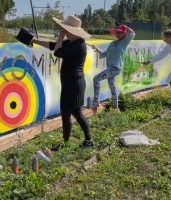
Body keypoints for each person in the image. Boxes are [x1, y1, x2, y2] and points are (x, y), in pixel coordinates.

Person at [31, 15, 94, 151]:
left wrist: (61, 36)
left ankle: (82, 141)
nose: (63, 31)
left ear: (71, 31)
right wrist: (33, 40)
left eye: (65, 29)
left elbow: (57, 52)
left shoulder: (79, 45)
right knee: (70, 112)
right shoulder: (72, 42)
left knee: (72, 112)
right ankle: (76, 142)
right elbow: (52, 46)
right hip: (70, 83)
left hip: (74, 84)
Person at [89, 24, 135, 111]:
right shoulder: (112, 43)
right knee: (112, 87)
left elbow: (132, 33)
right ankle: (115, 107)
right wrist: (96, 48)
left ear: (124, 34)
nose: (117, 34)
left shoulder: (125, 41)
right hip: (110, 67)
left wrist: (125, 26)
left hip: (116, 68)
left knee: (96, 78)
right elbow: (105, 54)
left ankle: (95, 101)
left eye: (120, 33)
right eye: (117, 32)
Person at [142, 29, 171, 96]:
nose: (164, 41)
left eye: (165, 39)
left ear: (169, 37)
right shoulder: (169, 46)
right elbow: (161, 55)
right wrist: (149, 61)